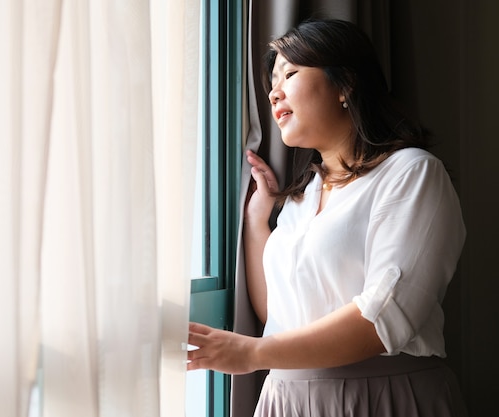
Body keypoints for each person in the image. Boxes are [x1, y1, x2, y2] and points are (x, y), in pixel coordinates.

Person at [188, 19, 468, 417]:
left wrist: (251, 353)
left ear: (346, 83)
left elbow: (383, 319)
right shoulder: (305, 197)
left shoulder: (412, 173)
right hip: (287, 399)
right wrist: (257, 220)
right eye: (272, 78)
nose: (273, 91)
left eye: (291, 73)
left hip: (379, 397)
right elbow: (280, 314)